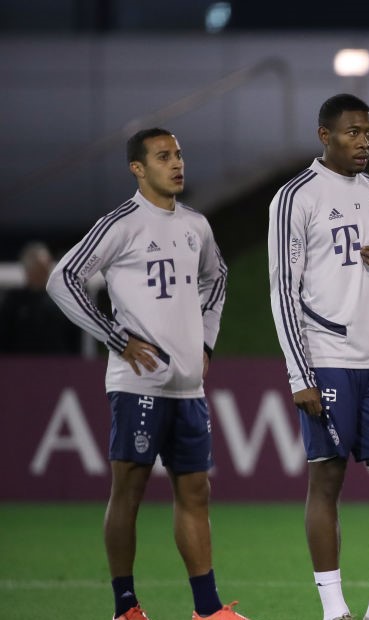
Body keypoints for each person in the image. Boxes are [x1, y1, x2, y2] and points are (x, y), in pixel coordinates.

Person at [46, 128, 251, 620]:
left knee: (195, 493)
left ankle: (208, 609)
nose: (176, 163)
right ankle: (126, 607)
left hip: (188, 387)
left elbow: (217, 278)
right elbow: (62, 278)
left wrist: (206, 341)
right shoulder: (121, 224)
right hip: (138, 383)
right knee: (129, 491)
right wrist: (115, 338)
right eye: (163, 156)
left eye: (178, 154)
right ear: (137, 169)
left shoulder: (195, 225)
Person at [268, 93, 369, 620]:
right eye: (353, 132)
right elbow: (283, 291)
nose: (364, 142)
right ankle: (335, 610)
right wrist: (300, 373)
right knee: (327, 480)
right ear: (324, 135)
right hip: (326, 358)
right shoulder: (296, 197)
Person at [0, 241, 82, 354]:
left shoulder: (62, 298)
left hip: (58, 361)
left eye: (45, 268)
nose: (43, 273)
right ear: (27, 270)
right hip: (20, 362)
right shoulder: (13, 301)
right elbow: (5, 337)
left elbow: (74, 337)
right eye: (38, 269)